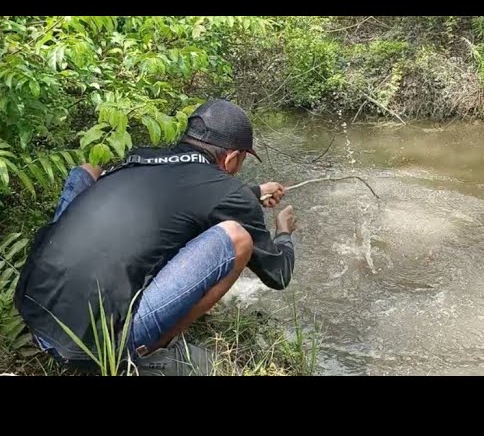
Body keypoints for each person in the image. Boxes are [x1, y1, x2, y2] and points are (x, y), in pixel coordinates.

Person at [14, 99, 297, 376]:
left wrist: (251, 193)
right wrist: (283, 231)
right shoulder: (227, 192)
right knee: (237, 239)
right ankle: (152, 349)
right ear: (232, 157)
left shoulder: (142, 158)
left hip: (33, 312)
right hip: (95, 349)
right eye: (242, 160)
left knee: (89, 171)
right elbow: (278, 274)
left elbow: (186, 198)